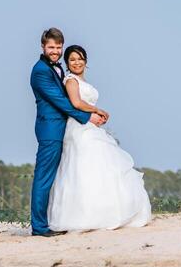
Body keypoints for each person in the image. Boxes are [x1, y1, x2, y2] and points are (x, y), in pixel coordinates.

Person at [48, 45, 151, 232]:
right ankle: (85, 215)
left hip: (89, 124)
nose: (76, 62)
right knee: (83, 168)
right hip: (79, 127)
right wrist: (97, 110)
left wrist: (95, 115)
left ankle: (106, 210)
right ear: (67, 63)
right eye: (72, 60)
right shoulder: (70, 80)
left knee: (101, 166)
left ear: (86, 61)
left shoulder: (81, 80)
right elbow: (76, 103)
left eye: (79, 58)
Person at [29, 28, 107, 236]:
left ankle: (57, 220)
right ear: (43, 47)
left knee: (62, 177)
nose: (55, 51)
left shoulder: (58, 69)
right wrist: (89, 116)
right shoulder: (40, 71)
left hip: (64, 130)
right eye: (51, 47)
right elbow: (62, 101)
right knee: (44, 178)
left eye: (58, 47)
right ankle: (39, 227)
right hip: (50, 130)